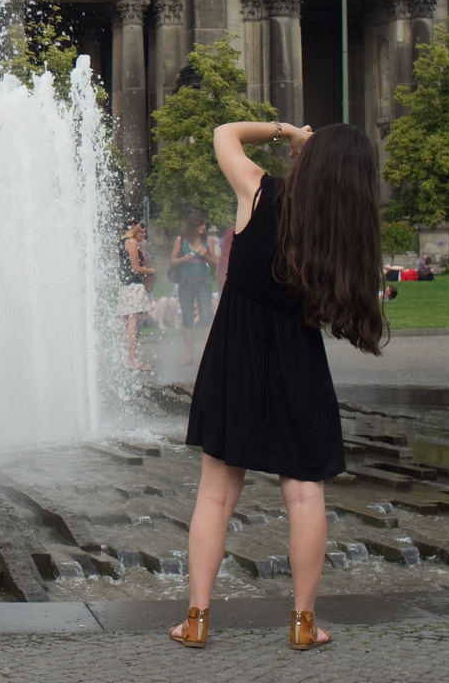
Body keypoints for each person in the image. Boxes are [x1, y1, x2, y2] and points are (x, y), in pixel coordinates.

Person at [170, 120, 386, 653]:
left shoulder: (260, 191)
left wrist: (285, 131)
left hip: (234, 353)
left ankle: (196, 620)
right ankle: (303, 623)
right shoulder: (340, 234)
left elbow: (221, 133)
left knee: (216, 495)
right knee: (305, 492)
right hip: (298, 360)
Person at [170, 211, 218, 365]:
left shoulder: (208, 241)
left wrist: (207, 257)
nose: (204, 227)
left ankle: (206, 356)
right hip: (186, 284)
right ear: (194, 225)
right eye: (201, 224)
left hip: (203, 284)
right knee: (187, 318)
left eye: (205, 224)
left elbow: (214, 266)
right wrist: (183, 259)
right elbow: (172, 261)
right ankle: (189, 356)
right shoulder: (181, 240)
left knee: (205, 317)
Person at [117, 218, 155, 372]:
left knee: (128, 323)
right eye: (141, 228)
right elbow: (136, 268)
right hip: (134, 287)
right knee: (133, 321)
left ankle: (128, 358)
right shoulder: (131, 242)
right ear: (133, 226)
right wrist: (152, 271)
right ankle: (132, 360)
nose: (144, 232)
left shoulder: (123, 240)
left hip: (126, 287)